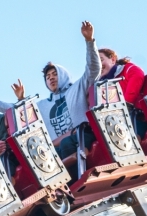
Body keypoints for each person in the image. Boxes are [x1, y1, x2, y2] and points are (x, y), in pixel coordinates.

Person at [36, 21, 101, 159]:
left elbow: (93, 69)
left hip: (83, 136)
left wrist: (89, 42)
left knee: (66, 144)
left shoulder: (77, 88)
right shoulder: (42, 106)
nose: (51, 78)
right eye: (47, 77)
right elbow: (18, 111)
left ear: (63, 74)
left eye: (55, 74)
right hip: (58, 148)